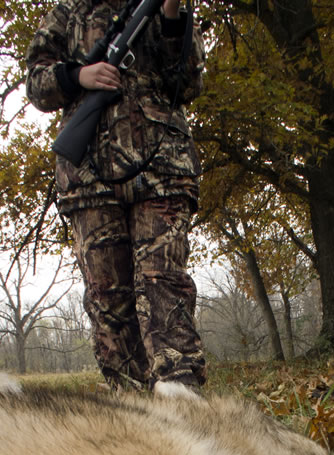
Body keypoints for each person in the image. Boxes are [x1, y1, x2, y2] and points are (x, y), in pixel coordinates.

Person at [26, 0, 206, 391]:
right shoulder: (67, 14)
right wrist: (79, 76)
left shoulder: (161, 10)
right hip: (89, 178)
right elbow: (37, 85)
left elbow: (189, 83)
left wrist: (173, 18)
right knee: (108, 299)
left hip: (163, 168)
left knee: (165, 283)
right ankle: (131, 410)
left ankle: (183, 401)